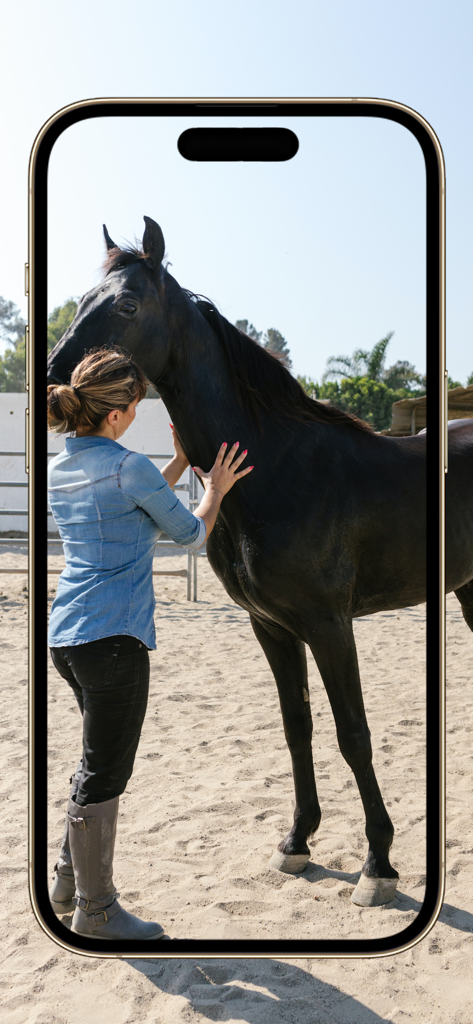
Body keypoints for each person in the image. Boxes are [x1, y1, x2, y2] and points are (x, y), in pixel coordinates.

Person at [46, 346, 253, 940]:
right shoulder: (129, 466)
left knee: (93, 762)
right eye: (135, 404)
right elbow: (188, 532)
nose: (137, 413)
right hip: (114, 641)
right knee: (106, 771)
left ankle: (67, 880)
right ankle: (98, 911)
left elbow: (132, 507)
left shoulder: (65, 464)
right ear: (117, 414)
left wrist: (178, 462)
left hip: (68, 639)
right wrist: (215, 485)